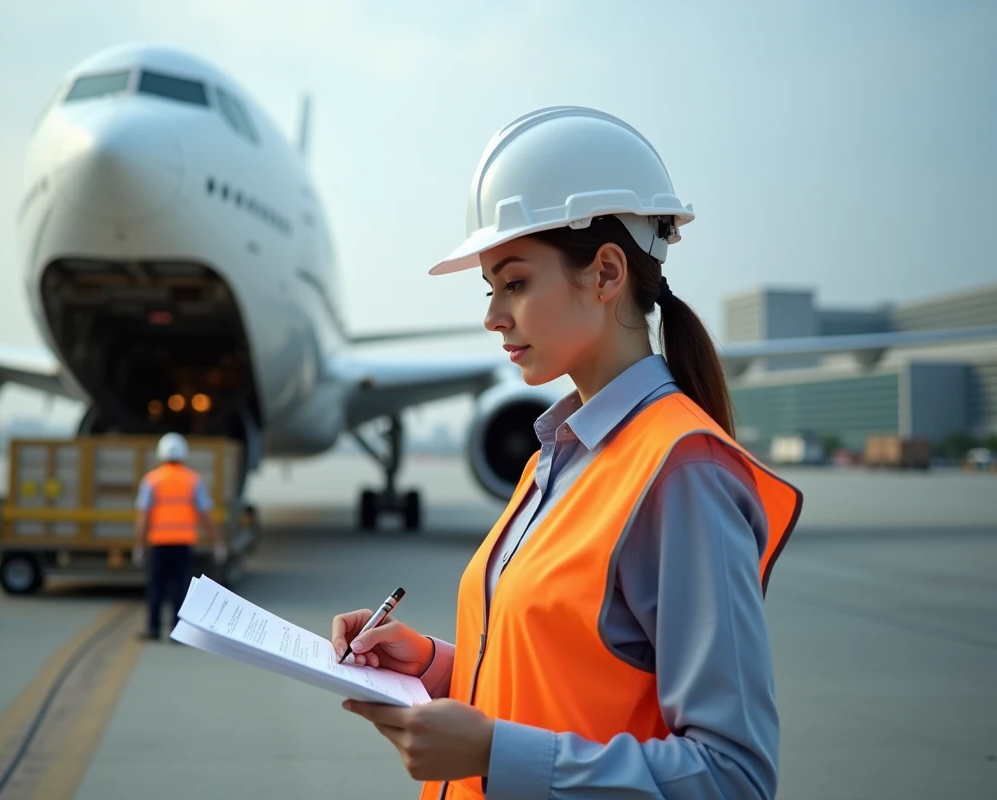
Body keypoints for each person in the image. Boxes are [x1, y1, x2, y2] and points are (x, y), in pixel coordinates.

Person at [330, 107, 803, 800]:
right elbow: (555, 681)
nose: (492, 316)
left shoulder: (681, 475)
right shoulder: (558, 455)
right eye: (490, 290)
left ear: (606, 273)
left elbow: (732, 778)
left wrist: (494, 752)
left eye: (514, 283)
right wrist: (428, 667)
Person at [134, 432, 227, 640]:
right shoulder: (193, 480)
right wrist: (217, 543)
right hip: (182, 544)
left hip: (159, 544)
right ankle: (178, 632)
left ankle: (153, 629)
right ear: (184, 454)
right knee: (180, 588)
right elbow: (205, 515)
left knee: (156, 587)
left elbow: (143, 517)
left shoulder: (152, 480)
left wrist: (139, 546)